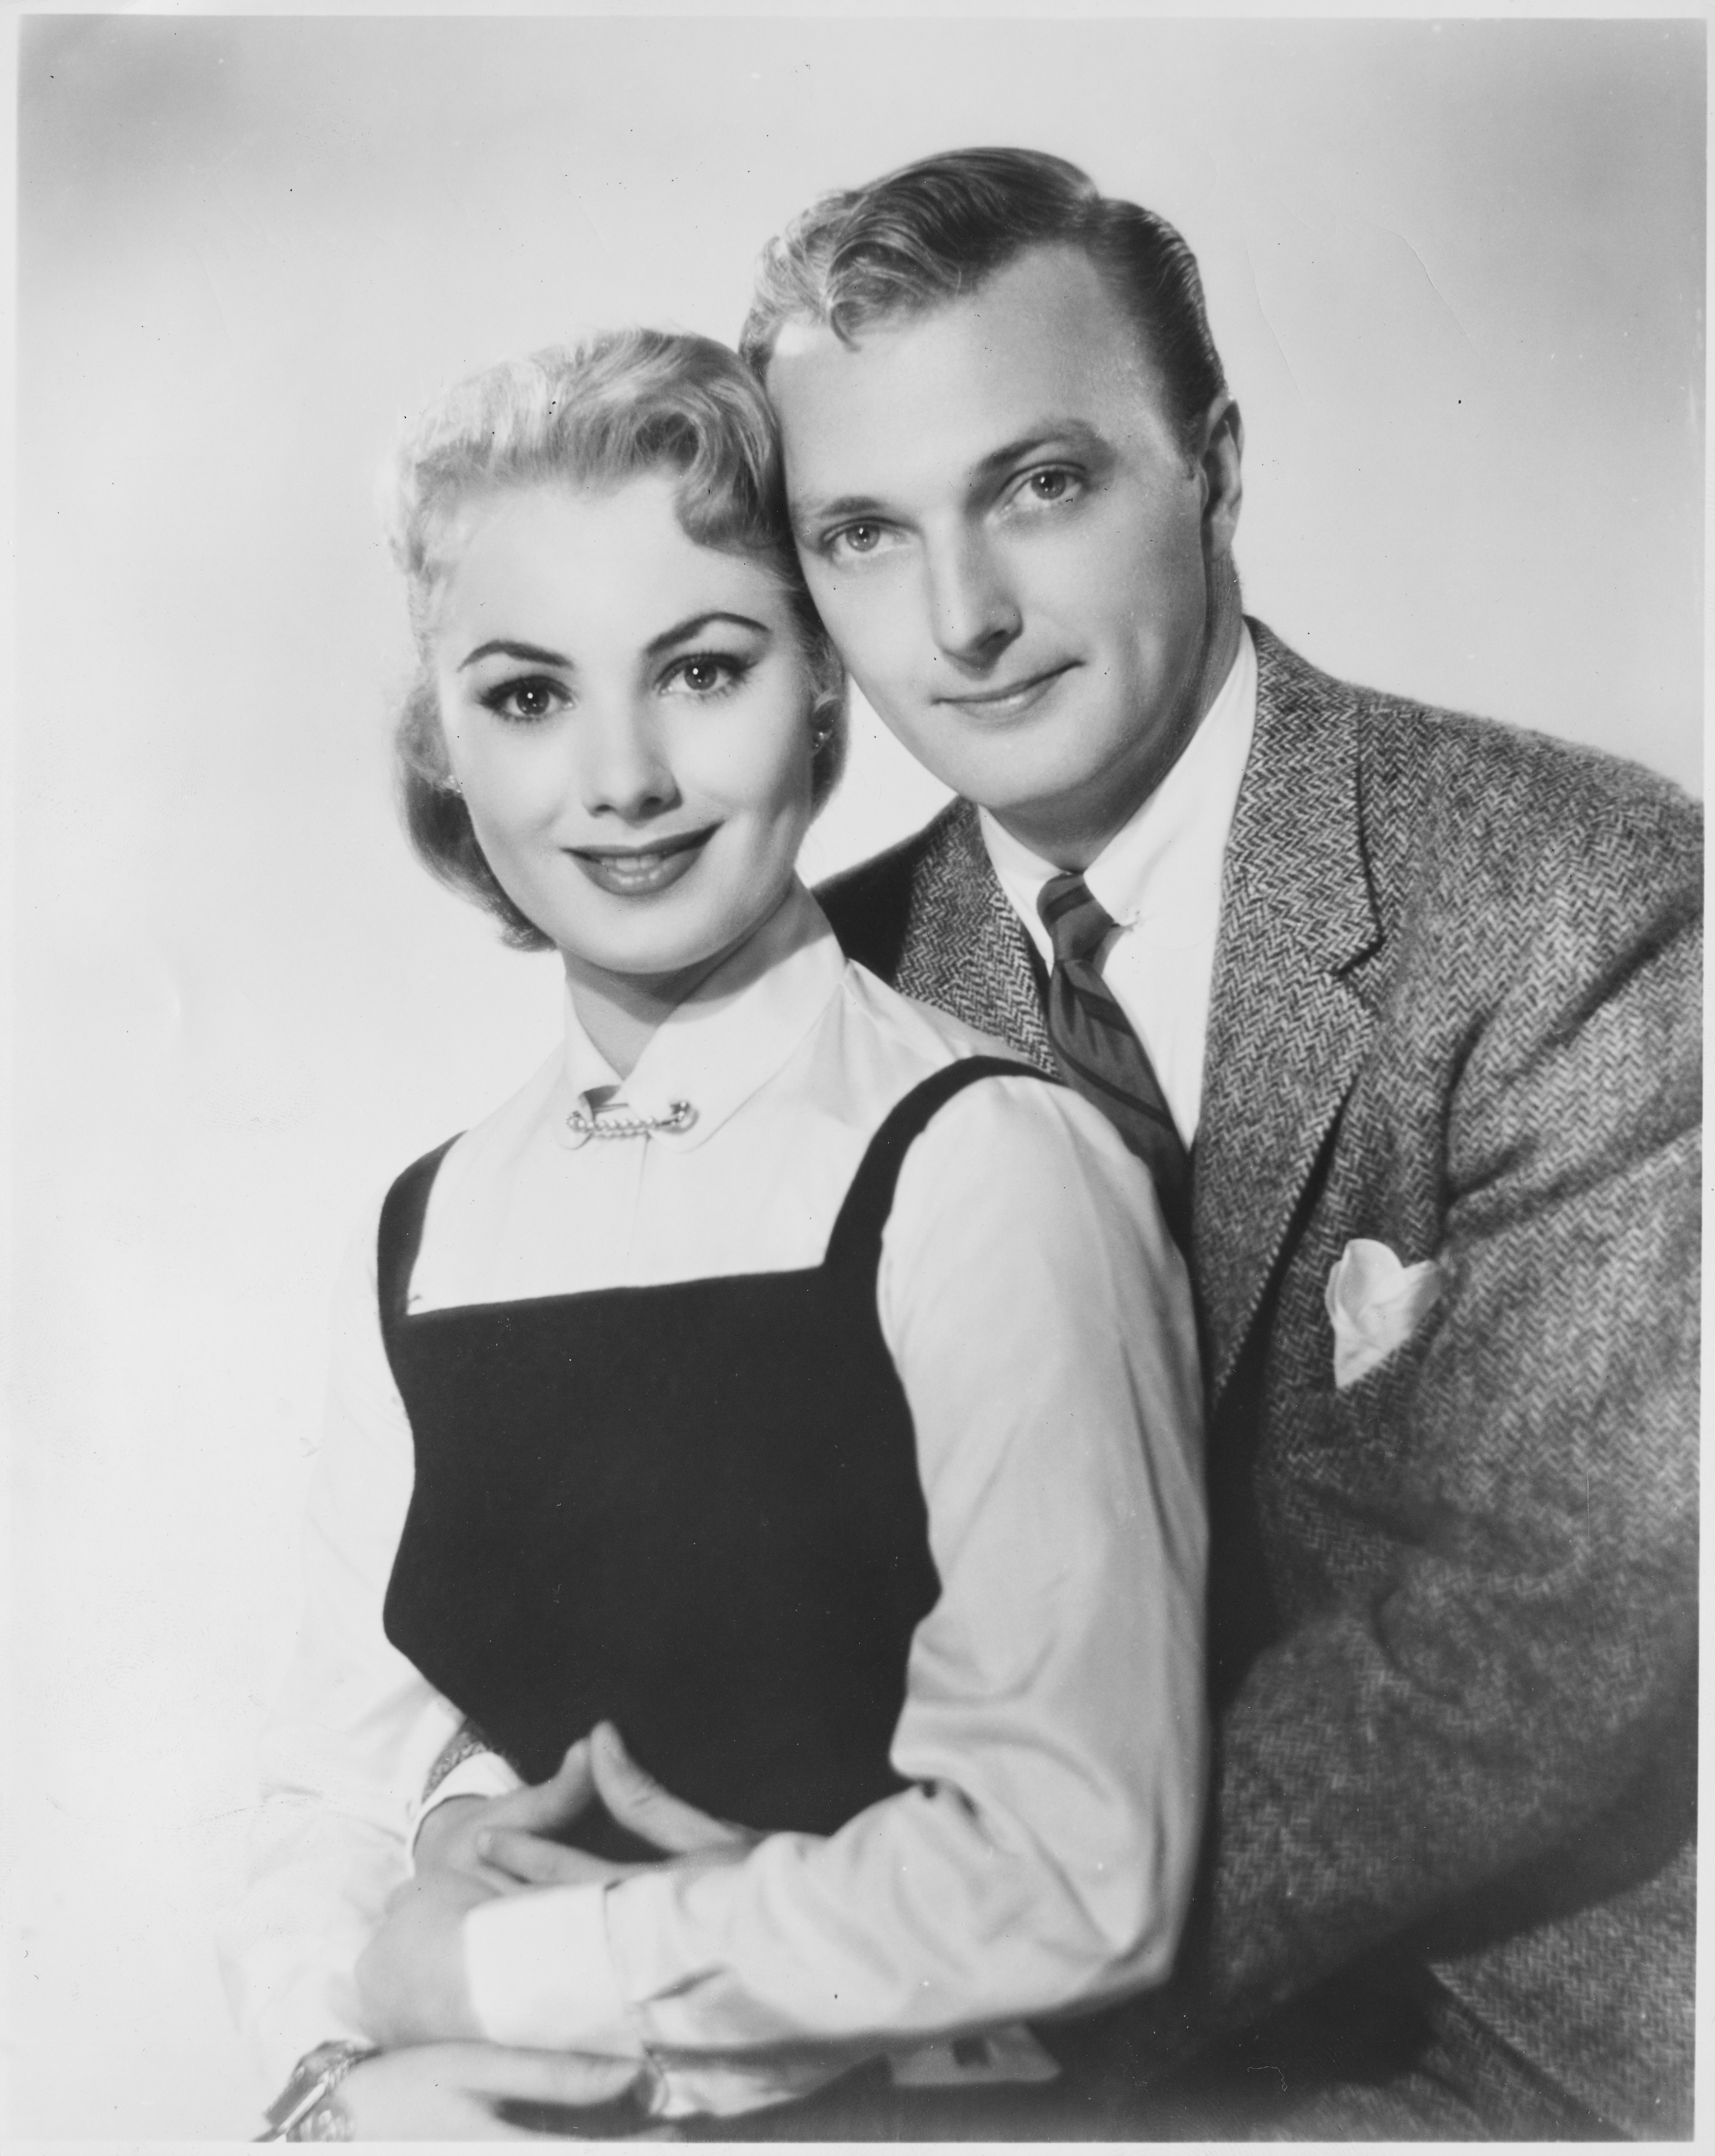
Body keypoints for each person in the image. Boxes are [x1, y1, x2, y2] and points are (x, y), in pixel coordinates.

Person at [695, 148, 1694, 2137]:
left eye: (1038, 486)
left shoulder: (1590, 898)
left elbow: (1529, 1645)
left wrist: (889, 2000)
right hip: (959, 2032)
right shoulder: (822, 994)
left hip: (1506, 2053)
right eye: (865, 535)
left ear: (1213, 467)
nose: (961, 618)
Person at [219, 327, 1209, 2139]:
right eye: (526, 695)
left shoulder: (984, 1158)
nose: (624, 778)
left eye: (702, 667)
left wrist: (489, 1983)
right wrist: (343, 2082)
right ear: (441, 733)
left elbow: (1078, 1868)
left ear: (824, 689)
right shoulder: (433, 1225)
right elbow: (331, 1792)